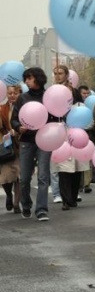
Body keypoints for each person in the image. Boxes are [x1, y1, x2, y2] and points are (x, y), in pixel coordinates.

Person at [11, 67, 55, 221]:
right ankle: (26, 204)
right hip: (27, 141)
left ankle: (41, 210)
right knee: (24, 178)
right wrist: (18, 127)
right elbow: (14, 118)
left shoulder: (48, 97)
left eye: (30, 78)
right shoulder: (22, 98)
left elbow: (56, 117)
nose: (27, 81)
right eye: (26, 79)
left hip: (45, 140)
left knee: (43, 176)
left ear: (38, 78)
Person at [1, 85, 21, 213]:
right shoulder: (2, 109)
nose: (12, 95)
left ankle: (16, 203)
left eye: (15, 93)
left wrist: (18, 131)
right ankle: (9, 194)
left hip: (21, 145)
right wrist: (7, 133)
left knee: (19, 176)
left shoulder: (24, 108)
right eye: (10, 93)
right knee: (6, 177)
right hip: (6, 147)